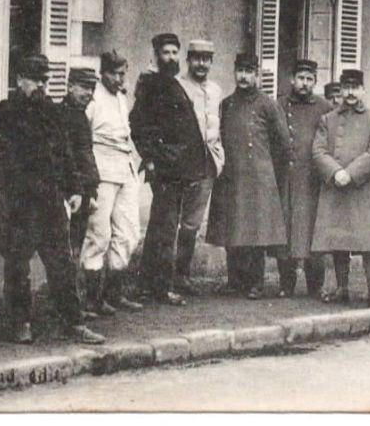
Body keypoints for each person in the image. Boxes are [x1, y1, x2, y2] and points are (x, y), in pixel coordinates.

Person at [0, 54, 104, 345]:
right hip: (18, 203)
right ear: (19, 80)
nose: (41, 86)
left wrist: (75, 189)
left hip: (50, 201)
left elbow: (65, 154)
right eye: (35, 80)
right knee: (17, 265)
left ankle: (73, 323)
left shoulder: (52, 112)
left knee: (62, 265)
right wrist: (0, 195)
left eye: (45, 80)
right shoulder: (6, 113)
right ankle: (20, 323)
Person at [132, 34, 216, 304]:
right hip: (166, 168)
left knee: (162, 226)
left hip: (180, 168)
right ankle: (161, 287)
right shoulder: (151, 84)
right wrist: (152, 157)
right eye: (166, 53)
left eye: (174, 52)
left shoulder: (171, 84)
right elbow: (139, 125)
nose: (171, 58)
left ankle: (150, 284)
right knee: (165, 228)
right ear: (156, 55)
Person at [209, 53, 290, 297]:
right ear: (234, 72)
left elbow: (283, 143)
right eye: (240, 71)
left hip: (259, 179)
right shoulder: (227, 104)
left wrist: (266, 170)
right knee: (231, 229)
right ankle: (235, 281)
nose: (244, 76)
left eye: (249, 71)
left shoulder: (268, 104)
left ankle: (255, 283)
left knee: (256, 231)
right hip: (231, 176)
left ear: (257, 74)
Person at [313, 68, 370, 310]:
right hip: (336, 186)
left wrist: (351, 173)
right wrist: (336, 172)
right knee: (339, 239)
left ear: (363, 90)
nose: (350, 93)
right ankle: (342, 287)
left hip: (363, 188)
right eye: (346, 87)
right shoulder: (328, 119)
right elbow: (318, 151)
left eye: (355, 87)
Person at [79, 50, 144, 315]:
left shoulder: (120, 98)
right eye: (114, 74)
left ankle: (114, 293)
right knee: (99, 235)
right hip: (101, 172)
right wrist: (88, 177)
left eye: (122, 74)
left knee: (129, 233)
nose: (119, 79)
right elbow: (84, 139)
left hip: (125, 169)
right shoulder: (92, 99)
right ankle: (92, 298)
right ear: (102, 73)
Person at [277, 60, 332, 297]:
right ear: (292, 79)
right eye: (300, 78)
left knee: (313, 232)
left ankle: (315, 286)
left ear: (315, 82)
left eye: (309, 79)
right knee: (286, 232)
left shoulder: (324, 107)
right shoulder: (280, 104)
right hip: (286, 177)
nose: (304, 83)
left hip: (313, 180)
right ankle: (286, 284)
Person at [57, 66, 101, 310]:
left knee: (76, 248)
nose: (88, 93)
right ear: (69, 86)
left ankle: (74, 306)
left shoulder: (81, 116)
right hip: (69, 194)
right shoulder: (61, 116)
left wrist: (91, 191)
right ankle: (66, 307)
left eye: (92, 88)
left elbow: (87, 157)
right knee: (66, 252)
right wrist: (73, 191)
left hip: (82, 193)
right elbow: (67, 159)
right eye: (84, 87)